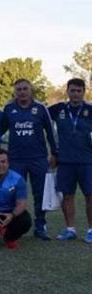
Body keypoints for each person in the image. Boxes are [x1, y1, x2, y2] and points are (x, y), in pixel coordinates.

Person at [0, 79, 56, 240]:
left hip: (38, 158)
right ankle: (13, 226)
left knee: (40, 193)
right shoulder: (9, 109)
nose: (22, 92)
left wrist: (54, 152)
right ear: (15, 91)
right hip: (16, 159)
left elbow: (51, 132)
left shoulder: (40, 108)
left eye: (25, 88)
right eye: (19, 89)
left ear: (30, 90)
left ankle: (40, 226)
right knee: (15, 193)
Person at [49, 78, 92, 242]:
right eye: (72, 90)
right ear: (67, 91)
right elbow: (39, 114)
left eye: (78, 91)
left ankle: (90, 230)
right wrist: (53, 152)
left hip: (87, 160)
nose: (75, 94)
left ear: (83, 92)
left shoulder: (90, 110)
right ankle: (70, 229)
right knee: (67, 196)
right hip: (65, 160)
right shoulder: (58, 109)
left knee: (90, 196)